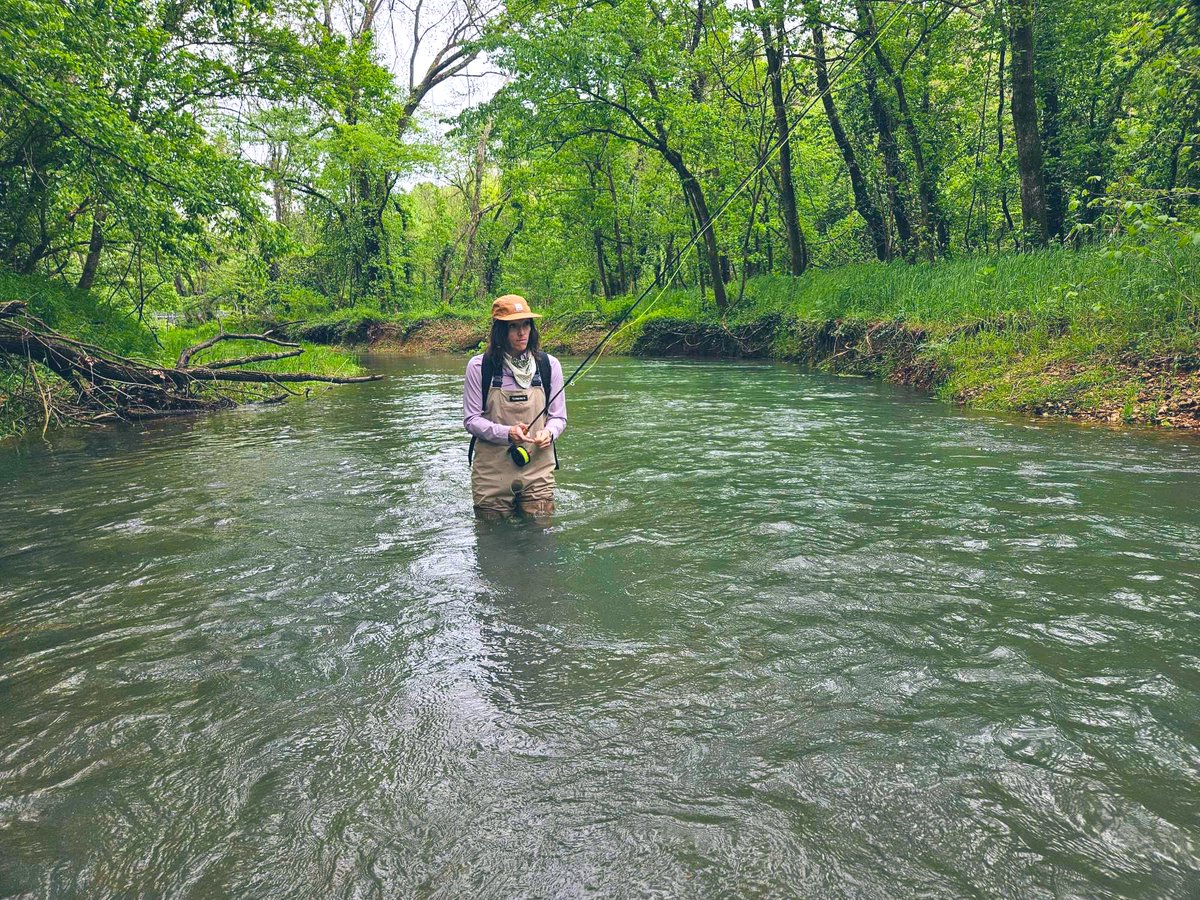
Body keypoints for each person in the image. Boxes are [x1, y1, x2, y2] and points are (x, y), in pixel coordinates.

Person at [464, 295, 567, 520]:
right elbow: (471, 420)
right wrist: (507, 433)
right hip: (492, 473)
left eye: (526, 324)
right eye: (514, 326)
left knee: (541, 537)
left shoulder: (549, 366)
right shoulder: (480, 367)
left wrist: (549, 432)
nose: (522, 333)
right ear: (500, 331)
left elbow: (559, 417)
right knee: (493, 541)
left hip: (538, 467)